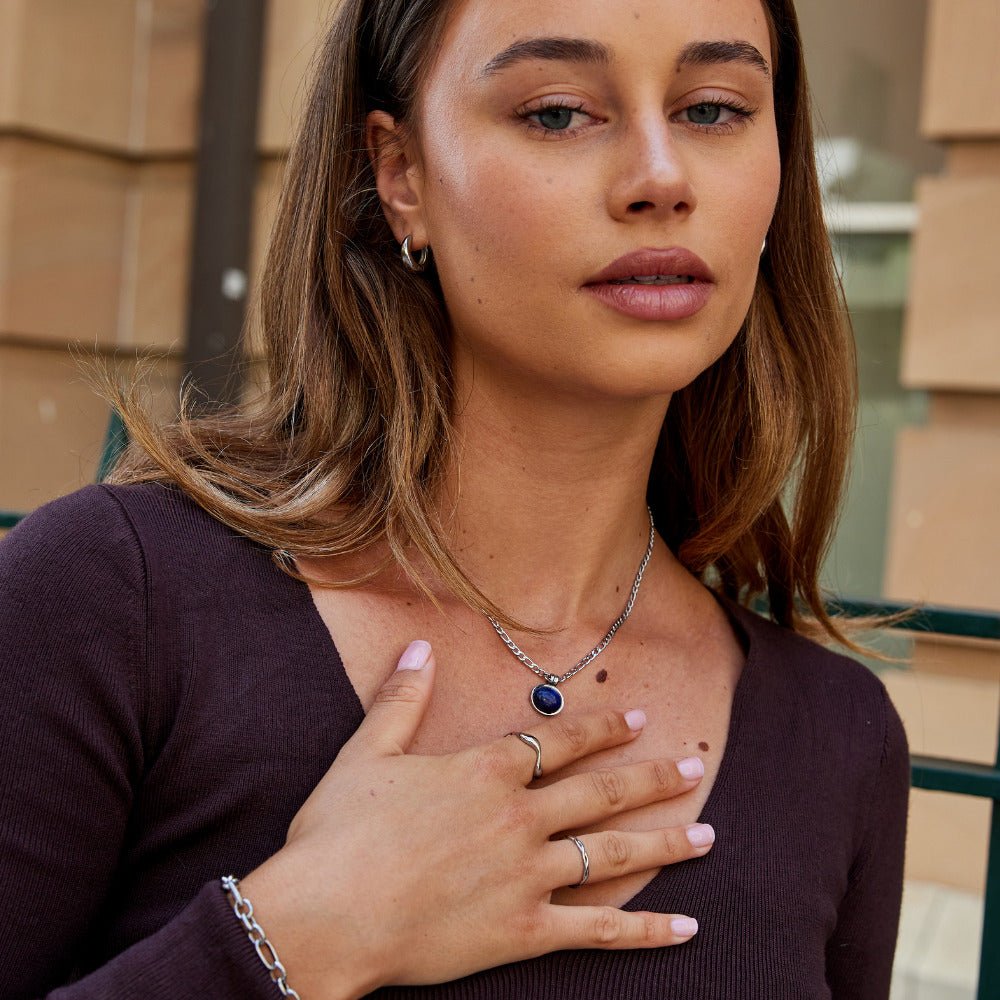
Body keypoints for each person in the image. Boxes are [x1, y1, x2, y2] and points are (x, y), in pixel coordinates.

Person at [0, 0, 909, 997]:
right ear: (401, 176)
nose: (661, 177)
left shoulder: (839, 740)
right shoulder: (113, 600)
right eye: (559, 112)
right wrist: (295, 937)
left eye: (713, 108)